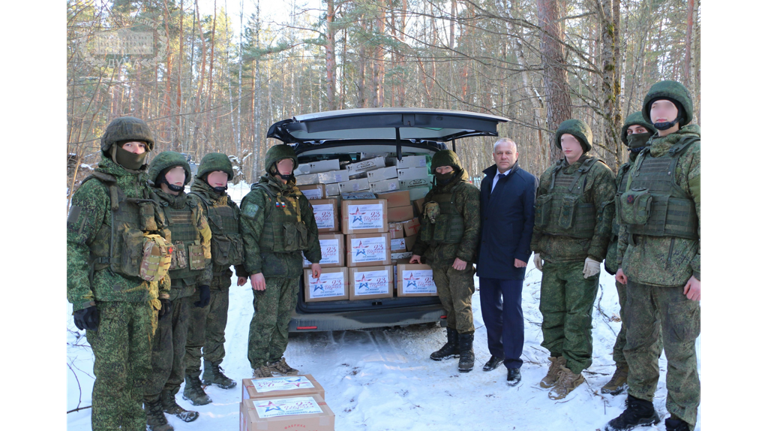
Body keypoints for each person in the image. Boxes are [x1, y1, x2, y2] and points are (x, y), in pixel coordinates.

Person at [606, 80, 701, 431]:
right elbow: (628, 217)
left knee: (680, 350)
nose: (660, 113)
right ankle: (641, 404)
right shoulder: (643, 157)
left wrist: (700, 273)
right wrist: (623, 262)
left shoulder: (695, 153)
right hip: (640, 272)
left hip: (679, 275)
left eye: (667, 107)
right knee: (638, 344)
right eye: (655, 108)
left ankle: (682, 415)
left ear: (681, 112)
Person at [66, 117, 172, 431]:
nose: (137, 151)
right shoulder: (95, 190)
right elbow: (73, 245)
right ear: (113, 148)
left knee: (139, 373)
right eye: (130, 145)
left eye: (142, 146)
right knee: (113, 376)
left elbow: (161, 246)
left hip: (145, 301)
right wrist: (81, 300)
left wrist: (162, 292)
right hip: (108, 303)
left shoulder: (149, 193)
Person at [531, 119, 616, 400]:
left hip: (581, 261)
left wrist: (595, 255)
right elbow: (540, 214)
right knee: (551, 314)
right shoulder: (550, 174)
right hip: (553, 259)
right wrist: (538, 248)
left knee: (577, 318)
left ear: (583, 143)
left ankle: (574, 370)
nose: (567, 146)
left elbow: (606, 217)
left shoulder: (598, 174)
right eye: (563, 141)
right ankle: (557, 361)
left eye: (573, 141)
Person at [239, 144, 322, 378]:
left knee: (283, 317)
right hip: (268, 270)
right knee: (265, 318)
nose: (287, 167)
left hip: (291, 268)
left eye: (290, 164)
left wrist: (314, 259)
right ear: (272, 166)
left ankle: (276, 358)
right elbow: (248, 235)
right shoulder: (259, 196)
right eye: (283, 163)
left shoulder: (297, 197)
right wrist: (253, 270)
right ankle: (259, 363)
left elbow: (310, 229)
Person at [144, 151, 213, 430]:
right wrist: (159, 294)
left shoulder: (193, 204)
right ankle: (152, 407)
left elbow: (204, 242)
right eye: (173, 174)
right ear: (161, 177)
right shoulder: (149, 205)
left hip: (188, 289)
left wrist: (205, 281)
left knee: (180, 351)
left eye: (182, 174)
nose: (178, 179)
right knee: (159, 353)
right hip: (161, 293)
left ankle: (170, 398)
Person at [601, 112, 659, 396]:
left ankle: (642, 375)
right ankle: (623, 367)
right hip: (625, 257)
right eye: (631, 130)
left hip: (658, 259)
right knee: (630, 317)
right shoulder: (624, 170)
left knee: (651, 325)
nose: (635, 135)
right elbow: (617, 216)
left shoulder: (661, 164)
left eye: (641, 129)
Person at [410, 149, 481, 373]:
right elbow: (425, 227)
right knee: (448, 304)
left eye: (446, 168)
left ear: (455, 168)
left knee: (462, 305)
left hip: (458, 259)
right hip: (438, 258)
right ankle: (453, 344)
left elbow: (474, 227)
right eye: (438, 169)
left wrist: (464, 256)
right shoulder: (432, 195)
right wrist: (418, 251)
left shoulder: (467, 192)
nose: (442, 172)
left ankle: (467, 350)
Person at [184, 153, 246, 405]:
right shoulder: (194, 202)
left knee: (217, 329)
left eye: (224, 176)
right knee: (194, 334)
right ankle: (191, 382)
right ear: (204, 177)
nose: (220, 180)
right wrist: (202, 281)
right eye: (215, 175)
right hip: (200, 280)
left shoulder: (228, 204)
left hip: (222, 278)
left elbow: (238, 237)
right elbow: (195, 244)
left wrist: (242, 268)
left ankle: (212, 369)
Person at [476, 138, 537, 386]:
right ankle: (497, 352)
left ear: (516, 154)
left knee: (512, 312)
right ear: (494, 156)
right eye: (499, 153)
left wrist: (523, 254)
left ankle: (513, 362)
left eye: (508, 153)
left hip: (512, 259)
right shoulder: (487, 180)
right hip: (488, 257)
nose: (503, 156)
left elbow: (530, 221)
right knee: (490, 310)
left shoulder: (527, 181)